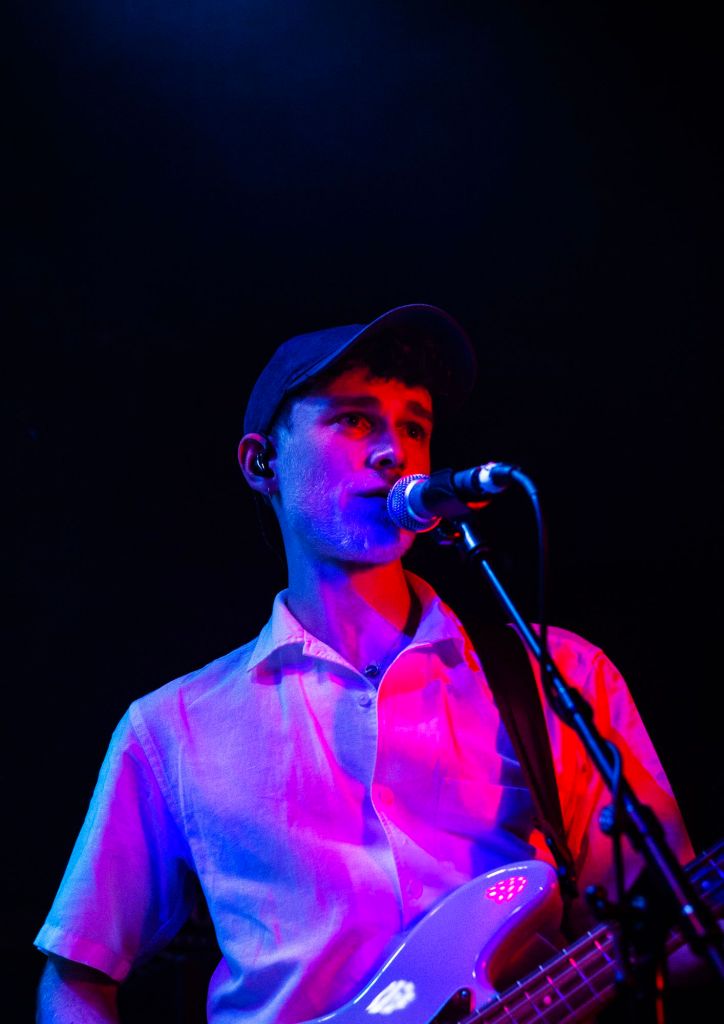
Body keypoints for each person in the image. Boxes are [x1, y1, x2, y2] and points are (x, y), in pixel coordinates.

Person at [35, 304, 700, 1023]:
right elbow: (76, 976)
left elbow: (674, 936)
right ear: (262, 464)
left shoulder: (557, 675)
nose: (394, 453)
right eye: (354, 420)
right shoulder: (174, 728)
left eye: (414, 427)